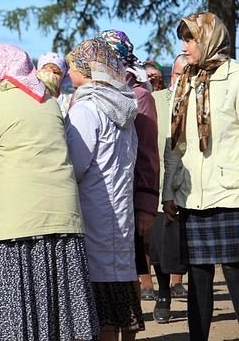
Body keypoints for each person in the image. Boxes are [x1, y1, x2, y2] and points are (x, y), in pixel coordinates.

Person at [0, 44, 99, 340]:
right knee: (58, 320)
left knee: (10, 323)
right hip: (64, 223)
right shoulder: (47, 101)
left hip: (20, 227)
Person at [163, 12, 239, 340]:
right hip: (191, 195)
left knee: (236, 277)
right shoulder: (184, 81)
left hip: (231, 193)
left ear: (208, 39)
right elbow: (173, 143)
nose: (184, 46)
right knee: (197, 281)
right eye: (183, 39)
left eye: (190, 38)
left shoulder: (236, 78)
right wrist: (168, 190)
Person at [64, 39, 142, 340]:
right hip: (119, 205)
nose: (68, 73)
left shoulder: (86, 109)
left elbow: (76, 162)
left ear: (87, 69)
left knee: (101, 304)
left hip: (94, 207)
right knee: (120, 285)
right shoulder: (121, 105)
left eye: (72, 66)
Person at [96, 30, 159, 301]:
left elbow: (147, 153)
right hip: (97, 196)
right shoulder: (89, 92)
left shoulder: (139, 96)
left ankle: (128, 323)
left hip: (129, 195)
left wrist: (146, 204)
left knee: (128, 266)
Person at [149, 54, 189, 323]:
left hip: (195, 185)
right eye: (177, 73)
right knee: (161, 247)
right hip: (162, 182)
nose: (181, 79)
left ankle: (195, 294)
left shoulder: (200, 100)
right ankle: (163, 293)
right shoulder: (155, 101)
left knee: (190, 248)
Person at [36, 51, 74, 116]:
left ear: (63, 76)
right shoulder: (33, 98)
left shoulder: (69, 101)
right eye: (47, 71)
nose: (51, 75)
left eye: (56, 72)